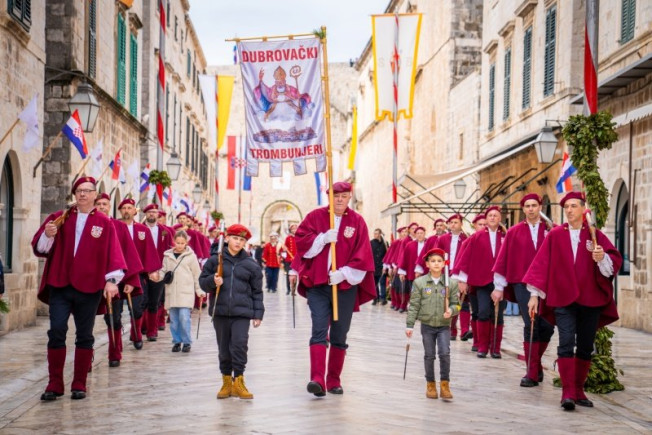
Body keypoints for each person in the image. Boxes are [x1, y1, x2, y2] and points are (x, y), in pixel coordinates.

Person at [524, 192, 621, 411]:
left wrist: (602, 258)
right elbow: (541, 264)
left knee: (585, 346)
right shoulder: (556, 235)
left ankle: (578, 390)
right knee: (566, 342)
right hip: (563, 299)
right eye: (566, 206)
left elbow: (612, 264)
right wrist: (534, 295)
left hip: (590, 299)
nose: (569, 210)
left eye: (573, 206)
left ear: (583, 209)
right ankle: (567, 392)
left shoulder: (595, 235)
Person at [31, 176, 126, 400]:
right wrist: (47, 235)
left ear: (95, 195)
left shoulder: (105, 223)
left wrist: (112, 281)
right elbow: (41, 248)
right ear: (75, 194)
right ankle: (54, 383)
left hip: (89, 286)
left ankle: (79, 383)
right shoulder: (60, 217)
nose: (82, 194)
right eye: (78, 190)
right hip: (60, 284)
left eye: (87, 190)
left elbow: (113, 253)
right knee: (56, 331)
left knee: (84, 335)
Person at [289, 181, 376, 397]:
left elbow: (363, 253)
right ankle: (317, 379)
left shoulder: (357, 222)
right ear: (329, 197)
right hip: (318, 284)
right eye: (336, 195)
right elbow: (301, 244)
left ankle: (334, 379)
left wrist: (344, 273)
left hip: (344, 286)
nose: (339, 199)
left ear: (349, 197)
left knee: (340, 333)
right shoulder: (315, 217)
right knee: (319, 328)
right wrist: (322, 239)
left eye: (344, 196)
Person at [493, 193, 555, 387]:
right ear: (523, 209)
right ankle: (531, 372)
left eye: (534, 205)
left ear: (540, 207)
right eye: (527, 206)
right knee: (531, 323)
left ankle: (536, 364)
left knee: (547, 326)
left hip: (547, 283)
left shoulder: (551, 230)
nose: (531, 209)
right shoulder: (514, 232)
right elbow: (503, 258)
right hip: (522, 283)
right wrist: (499, 287)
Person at [199, 224, 264, 400]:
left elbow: (257, 292)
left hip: (242, 313)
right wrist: (212, 281)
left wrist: (258, 314)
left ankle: (239, 381)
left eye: (242, 240)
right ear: (227, 238)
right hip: (220, 311)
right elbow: (203, 283)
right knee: (224, 349)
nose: (238, 242)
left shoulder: (251, 265)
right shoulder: (215, 261)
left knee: (240, 345)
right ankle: (226, 381)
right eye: (235, 238)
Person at [94, 193, 144, 367]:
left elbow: (129, 254)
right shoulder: (86, 224)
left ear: (109, 207)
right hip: (90, 280)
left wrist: (131, 280)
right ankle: (85, 359)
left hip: (113, 281)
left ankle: (114, 353)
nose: (101, 207)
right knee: (85, 321)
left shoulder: (119, 227)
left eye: (105, 204)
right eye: (98, 204)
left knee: (113, 317)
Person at [453, 206, 506, 358]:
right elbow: (466, 257)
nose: (493, 218)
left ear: (500, 218)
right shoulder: (477, 237)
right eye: (490, 215)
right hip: (482, 281)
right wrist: (462, 279)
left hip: (501, 282)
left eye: (495, 215)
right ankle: (482, 346)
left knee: (498, 315)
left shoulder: (506, 236)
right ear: (486, 219)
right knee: (483, 312)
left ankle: (495, 348)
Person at [406, 248, 459, 400]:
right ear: (427, 264)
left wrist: (451, 310)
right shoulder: (420, 283)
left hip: (444, 326)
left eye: (439, 261)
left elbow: (457, 304)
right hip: (427, 325)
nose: (436, 263)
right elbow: (414, 305)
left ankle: (445, 385)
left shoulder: (451, 283)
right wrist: (410, 325)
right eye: (433, 261)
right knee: (429, 355)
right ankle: (430, 384)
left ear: (444, 264)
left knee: (444, 353)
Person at [118, 199, 162, 343]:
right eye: (124, 208)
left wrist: (152, 270)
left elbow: (149, 251)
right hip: (117, 274)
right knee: (115, 311)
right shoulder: (114, 227)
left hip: (137, 274)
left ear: (134, 211)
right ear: (120, 211)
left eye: (129, 207)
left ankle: (136, 335)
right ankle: (117, 342)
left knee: (138, 307)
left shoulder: (143, 230)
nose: (126, 210)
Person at [160, 230, 205, 353]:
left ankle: (186, 342)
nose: (179, 245)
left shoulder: (191, 256)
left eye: (182, 243)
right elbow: (163, 271)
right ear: (174, 241)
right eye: (177, 242)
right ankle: (176, 341)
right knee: (174, 321)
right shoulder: (167, 256)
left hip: (185, 293)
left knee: (184, 318)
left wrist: (199, 290)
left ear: (186, 243)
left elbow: (197, 275)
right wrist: (156, 276)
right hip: (172, 292)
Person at [434, 214, 468, 341]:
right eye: (451, 222)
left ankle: (464, 330)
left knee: (463, 302)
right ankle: (451, 329)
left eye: (456, 222)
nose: (453, 225)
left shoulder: (466, 238)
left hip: (461, 274)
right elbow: (437, 254)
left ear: (461, 224)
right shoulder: (443, 239)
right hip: (446, 273)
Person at [143, 203, 174, 333]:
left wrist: (166, 269)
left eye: (154, 212)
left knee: (155, 300)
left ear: (158, 214)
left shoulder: (165, 231)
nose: (152, 214)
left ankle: (152, 330)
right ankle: (141, 328)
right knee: (142, 301)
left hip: (159, 271)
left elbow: (170, 251)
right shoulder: (139, 228)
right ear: (145, 214)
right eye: (149, 211)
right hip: (142, 271)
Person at [398, 226, 428, 312]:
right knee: (414, 292)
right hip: (412, 273)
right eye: (417, 233)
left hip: (426, 273)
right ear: (415, 235)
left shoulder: (428, 244)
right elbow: (404, 258)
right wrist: (402, 272)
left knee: (426, 292)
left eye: (421, 233)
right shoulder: (410, 245)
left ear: (424, 234)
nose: (419, 235)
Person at [370, 228, 388, 305]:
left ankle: (383, 299)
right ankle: (375, 298)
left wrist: (386, 266)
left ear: (380, 234)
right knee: (374, 284)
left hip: (382, 266)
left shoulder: (385, 243)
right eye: (374, 233)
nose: (375, 235)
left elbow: (387, 254)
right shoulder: (371, 243)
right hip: (373, 266)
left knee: (382, 282)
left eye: (377, 233)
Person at [280, 224, 298, 294]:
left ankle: (293, 289)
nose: (294, 230)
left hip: (296, 260)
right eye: (293, 229)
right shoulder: (288, 238)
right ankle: (288, 289)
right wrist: (283, 258)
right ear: (290, 230)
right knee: (288, 274)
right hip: (288, 260)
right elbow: (284, 249)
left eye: (295, 228)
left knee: (295, 275)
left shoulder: (299, 237)